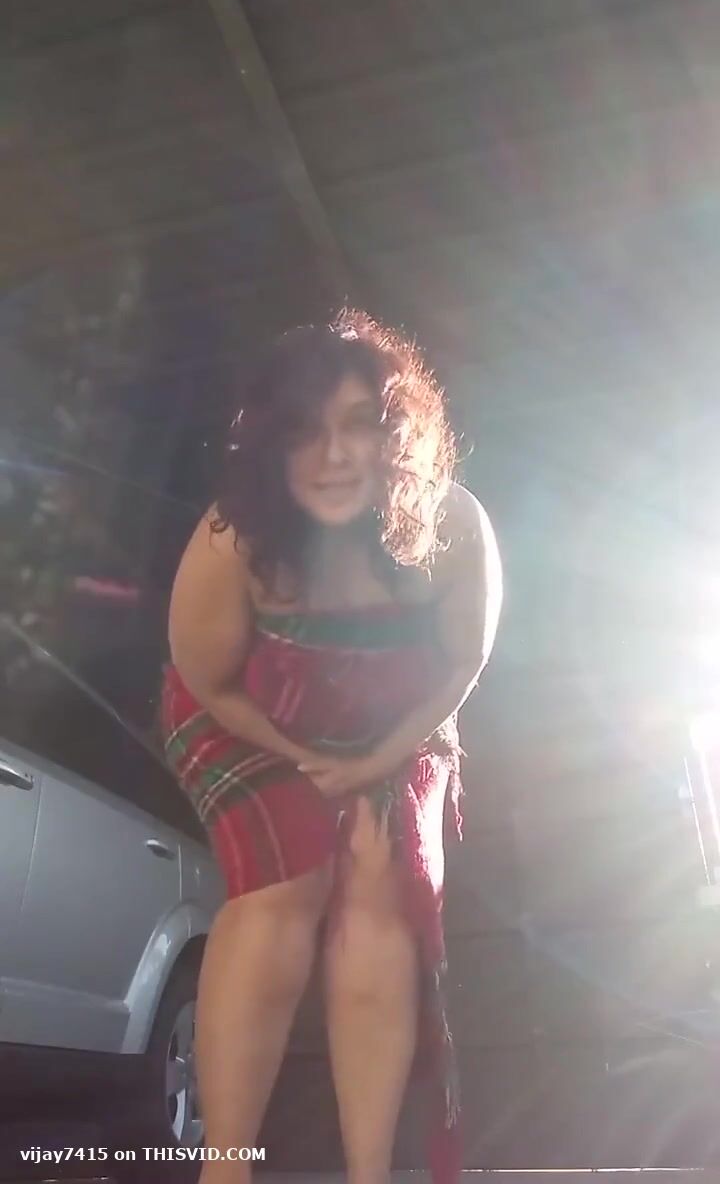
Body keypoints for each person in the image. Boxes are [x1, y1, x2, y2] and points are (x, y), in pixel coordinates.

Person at [161, 309, 502, 1184]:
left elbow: (462, 663)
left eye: (361, 424)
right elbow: (208, 680)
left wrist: (377, 762)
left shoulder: (454, 526)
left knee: (378, 878)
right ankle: (225, 1170)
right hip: (246, 713)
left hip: (398, 718)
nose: (336, 455)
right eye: (305, 431)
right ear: (270, 446)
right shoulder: (234, 535)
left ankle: (368, 1173)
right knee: (288, 881)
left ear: (400, 437)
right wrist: (307, 762)